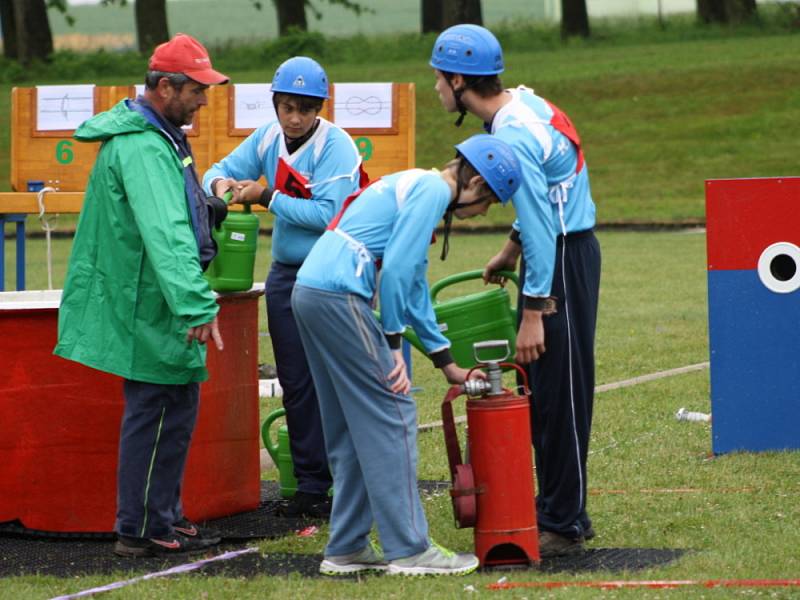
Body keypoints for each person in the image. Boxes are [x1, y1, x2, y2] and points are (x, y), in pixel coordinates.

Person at [291, 134, 522, 576]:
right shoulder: (433, 191)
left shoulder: (417, 185)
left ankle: (347, 547)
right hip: (340, 296)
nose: (483, 213)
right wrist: (393, 344)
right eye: (489, 201)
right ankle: (410, 549)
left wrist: (445, 362)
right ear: (474, 180)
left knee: (349, 428)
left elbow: (413, 285)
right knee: (393, 412)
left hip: (311, 292)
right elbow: (395, 271)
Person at [54, 33, 229, 557]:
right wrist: (197, 304)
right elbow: (165, 231)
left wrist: (208, 207)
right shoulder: (143, 145)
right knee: (155, 415)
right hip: (150, 304)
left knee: (174, 409)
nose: (203, 100)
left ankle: (164, 514)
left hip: (157, 300)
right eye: (196, 90)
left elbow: (176, 213)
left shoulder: (159, 136)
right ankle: (139, 527)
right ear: (167, 86)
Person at [430, 24, 602, 557]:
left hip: (563, 256)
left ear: (459, 80)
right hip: (562, 249)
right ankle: (561, 505)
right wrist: (510, 247)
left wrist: (534, 310)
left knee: (559, 392)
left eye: (437, 78)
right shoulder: (522, 103)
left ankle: (563, 521)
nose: (436, 88)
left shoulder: (511, 136)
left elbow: (544, 221)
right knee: (552, 387)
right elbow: (547, 194)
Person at [203, 57, 363, 519]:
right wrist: (222, 186)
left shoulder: (336, 146)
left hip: (333, 274)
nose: (295, 118)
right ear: (275, 104)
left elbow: (328, 215)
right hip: (286, 274)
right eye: (287, 107)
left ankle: (353, 478)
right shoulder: (268, 136)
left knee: (337, 378)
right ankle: (311, 486)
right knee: (295, 381)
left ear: (319, 108)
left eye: (306, 109)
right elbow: (216, 167)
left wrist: (268, 197)